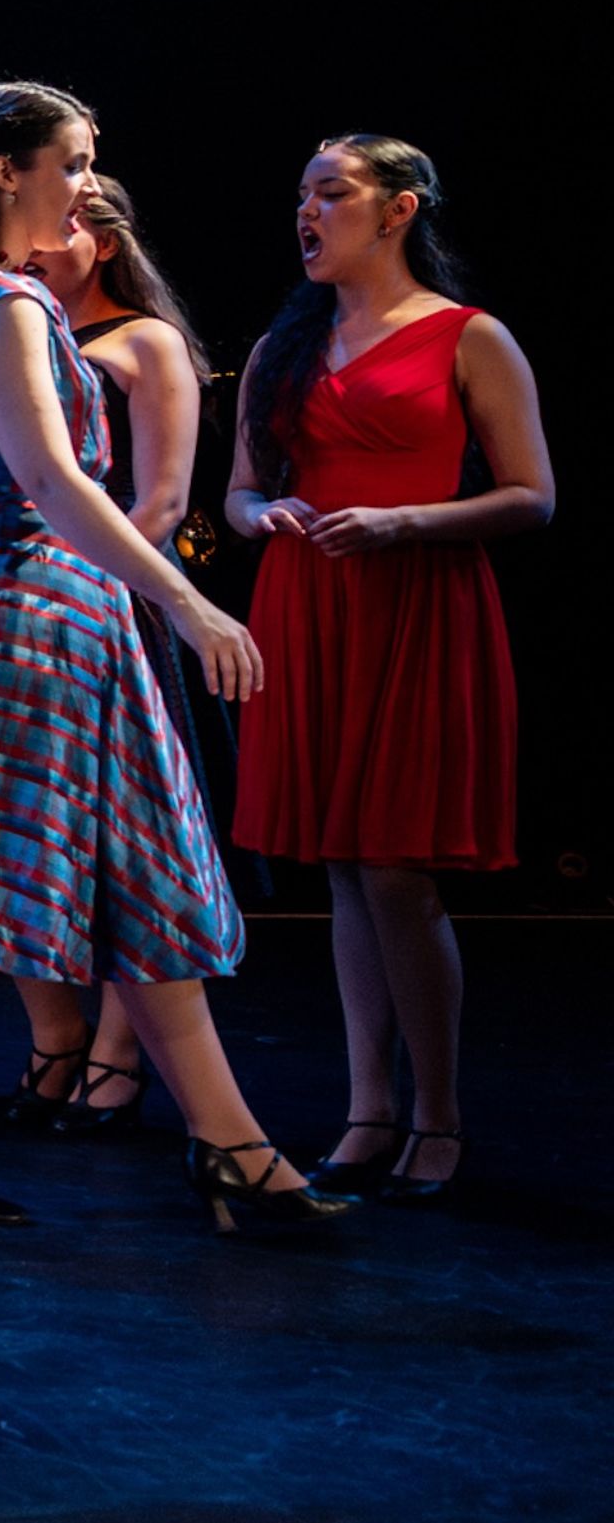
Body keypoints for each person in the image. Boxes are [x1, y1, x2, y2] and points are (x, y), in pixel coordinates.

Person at [0, 83, 349, 1237]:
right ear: (8, 170)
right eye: (75, 158)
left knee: (137, 869)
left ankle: (230, 1139)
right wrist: (192, 602)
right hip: (7, 606)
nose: (88, 182)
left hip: (59, 608)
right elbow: (46, 481)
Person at [226, 135, 552, 1205]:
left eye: (332, 192)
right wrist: (261, 511)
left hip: (416, 601)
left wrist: (408, 518)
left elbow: (531, 494)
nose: (308, 213)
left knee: (400, 869)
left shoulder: (470, 336)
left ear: (397, 208)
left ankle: (439, 1112)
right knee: (342, 869)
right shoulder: (285, 343)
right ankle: (370, 1109)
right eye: (302, 195)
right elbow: (234, 494)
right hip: (311, 602)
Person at [18, 175, 216, 1135]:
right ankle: (58, 1035)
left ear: (99, 238)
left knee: (127, 836)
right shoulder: (15, 331)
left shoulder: (144, 340)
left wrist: (83, 578)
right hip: (22, 610)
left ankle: (119, 1052)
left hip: (114, 601)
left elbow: (165, 502)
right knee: (37, 826)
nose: (34, 250)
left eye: (57, 233)